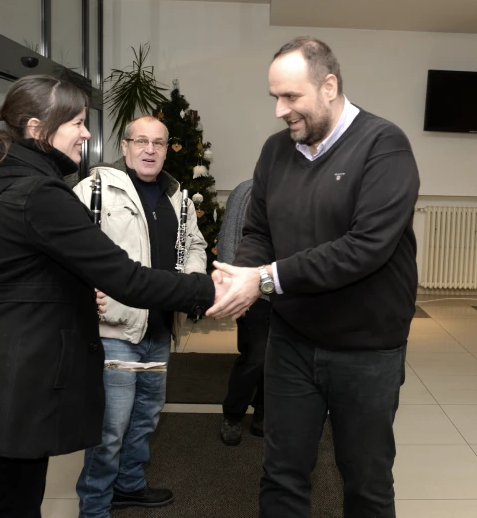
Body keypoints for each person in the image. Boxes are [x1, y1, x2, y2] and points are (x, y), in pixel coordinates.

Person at [0, 74, 224, 518]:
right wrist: (211, 290)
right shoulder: (40, 194)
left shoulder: (4, 181)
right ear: (38, 129)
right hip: (11, 384)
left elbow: (14, 274)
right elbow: (125, 277)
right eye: (76, 122)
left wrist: (72, 291)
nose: (87, 133)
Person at [207, 37, 420, 517]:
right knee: (282, 475)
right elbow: (259, 230)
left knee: (365, 481)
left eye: (291, 97)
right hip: (292, 341)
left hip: (367, 349)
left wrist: (263, 279)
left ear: (329, 86)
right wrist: (241, 273)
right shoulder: (275, 152)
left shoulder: (384, 145)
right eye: (275, 98)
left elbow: (365, 248)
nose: (280, 110)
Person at [71, 115, 207, 515]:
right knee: (109, 430)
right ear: (126, 146)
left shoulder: (178, 198)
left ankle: (129, 484)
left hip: (160, 329)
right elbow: (67, 247)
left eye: (159, 143)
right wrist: (82, 288)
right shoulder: (94, 189)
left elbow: (195, 244)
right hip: (115, 330)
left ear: (167, 149)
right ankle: (94, 507)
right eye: (141, 141)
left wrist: (192, 281)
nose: (150, 150)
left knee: (146, 418)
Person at [217, 178, 271, 446]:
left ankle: (263, 414)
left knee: (279, 359)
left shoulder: (304, 189)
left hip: (291, 293)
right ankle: (232, 415)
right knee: (255, 357)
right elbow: (229, 239)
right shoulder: (247, 190)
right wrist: (232, 288)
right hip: (254, 292)